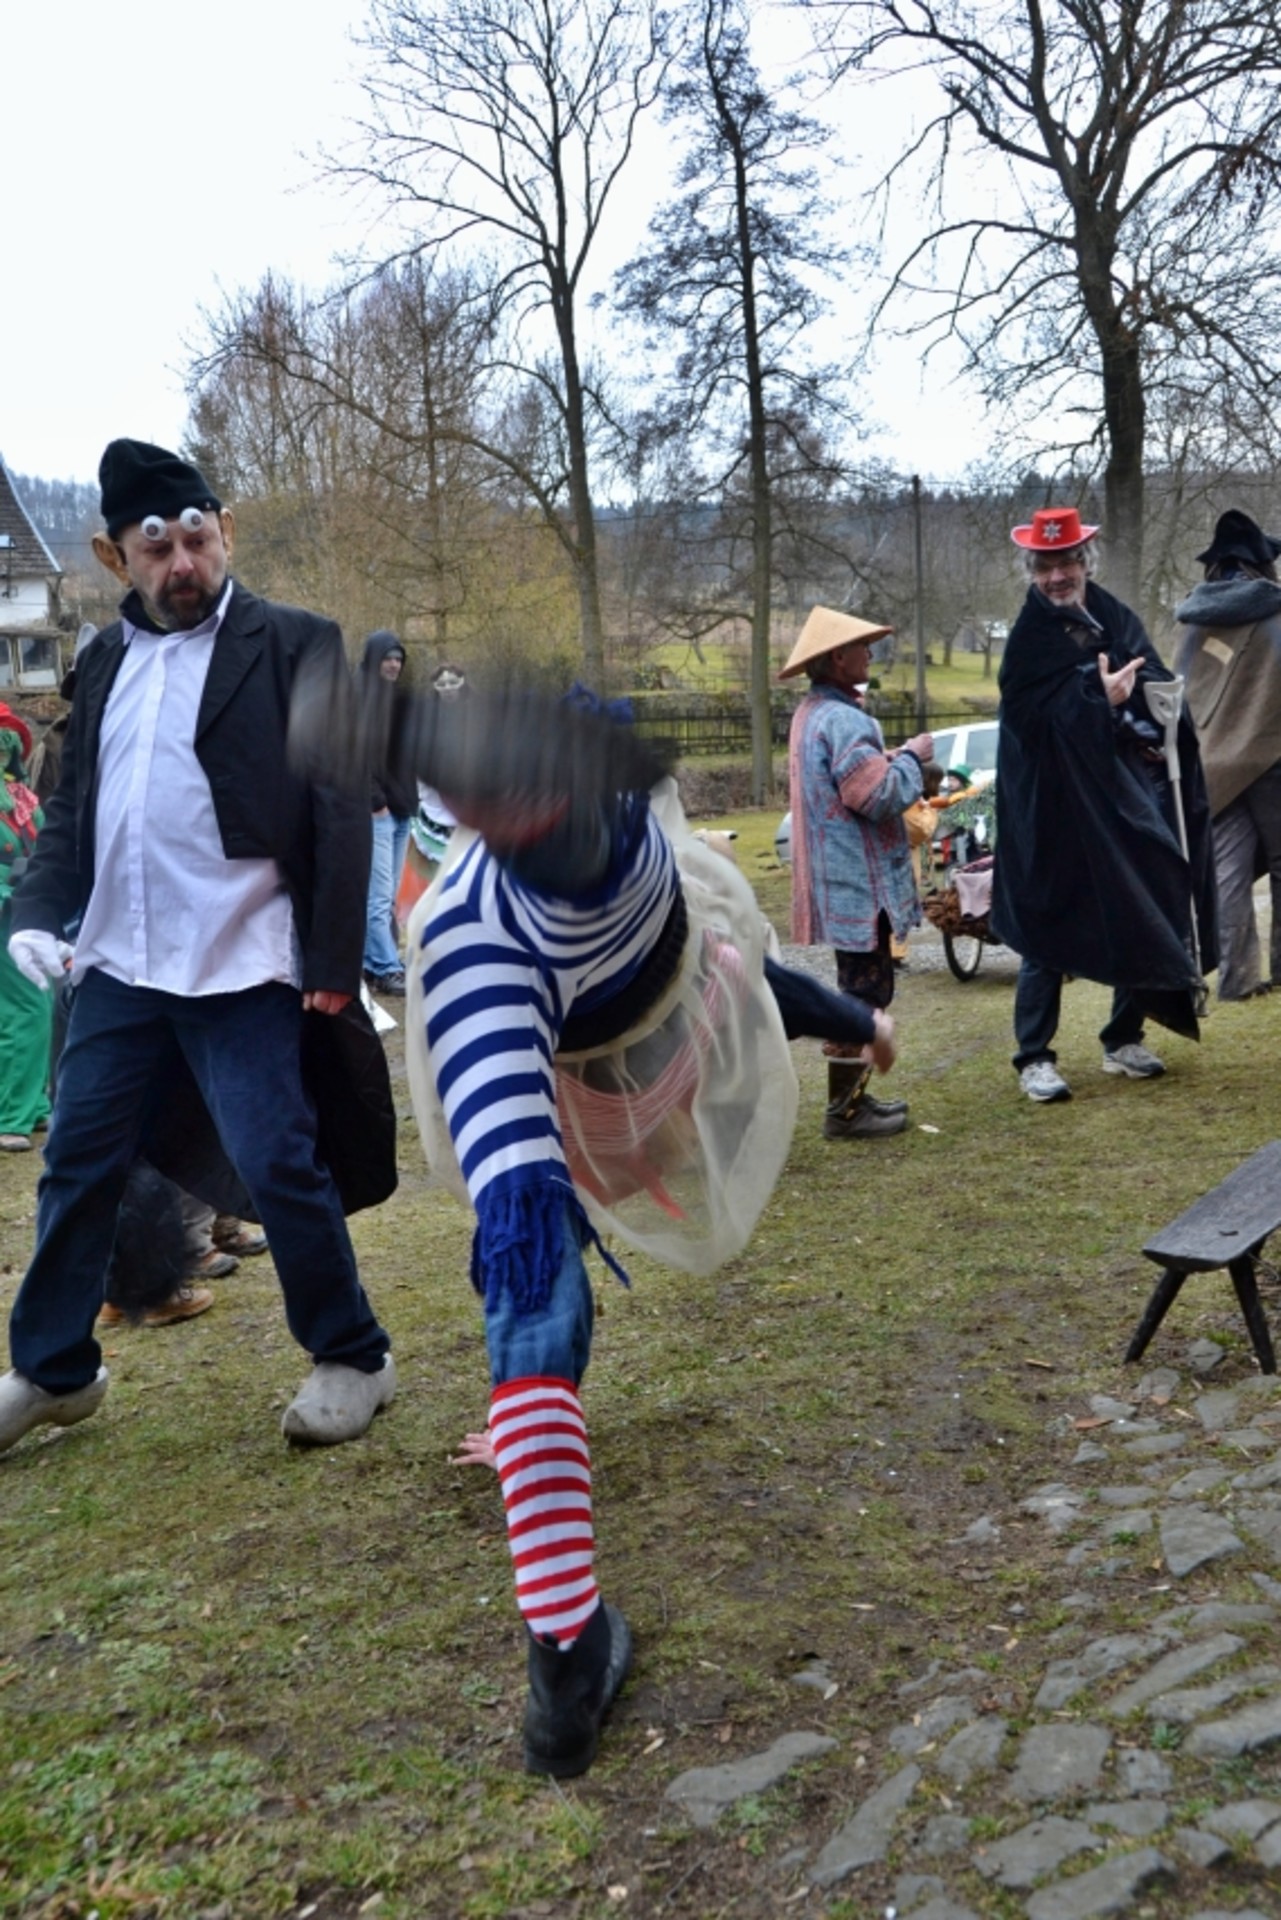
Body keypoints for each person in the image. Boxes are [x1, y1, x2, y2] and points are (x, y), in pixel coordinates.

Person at [0, 437, 395, 1456]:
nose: (183, 563)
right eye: (156, 547)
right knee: (76, 1162)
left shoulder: (296, 643)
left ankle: (353, 1355)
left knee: (277, 1157)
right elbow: (74, 808)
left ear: (224, 532)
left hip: (241, 957)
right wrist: (35, 913)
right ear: (115, 556)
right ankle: (55, 1371)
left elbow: (339, 804)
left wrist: (333, 962)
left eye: (197, 539)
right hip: (119, 966)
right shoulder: (102, 660)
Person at [991, 507, 1217, 1102]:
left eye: (1066, 562)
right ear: (1031, 571)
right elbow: (1028, 719)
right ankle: (1034, 1057)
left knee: (1141, 896)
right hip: (1052, 805)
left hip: (1115, 795)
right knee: (1047, 920)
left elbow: (1151, 671)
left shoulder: (1111, 614)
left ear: (1085, 562)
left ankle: (1122, 1038)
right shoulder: (1030, 637)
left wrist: (1150, 706)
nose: (1056, 577)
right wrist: (1098, 696)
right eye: (1045, 567)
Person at [781, 605, 931, 1139]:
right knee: (865, 997)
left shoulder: (811, 713)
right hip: (861, 888)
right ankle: (845, 1112)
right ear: (837, 658)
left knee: (859, 992)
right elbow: (877, 795)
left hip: (838, 882)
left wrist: (888, 757)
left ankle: (851, 1103)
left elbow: (849, 779)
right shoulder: (845, 719)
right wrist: (912, 759)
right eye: (862, 646)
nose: (871, 652)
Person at [1174, 508, 1281, 1000]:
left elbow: (1180, 692)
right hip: (1270, 758)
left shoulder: (1193, 622)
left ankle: (1237, 980)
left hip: (1211, 763)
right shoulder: (1275, 611)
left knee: (1228, 873)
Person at [0, 702, 53, 1152]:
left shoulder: (22, 800)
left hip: (27, 911)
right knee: (28, 1008)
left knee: (38, 1003)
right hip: (8, 909)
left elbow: (47, 849)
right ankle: (12, 1115)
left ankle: (32, 1105)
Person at [359, 629, 415, 996]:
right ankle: (386, 966)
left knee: (389, 895)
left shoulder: (398, 700)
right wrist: (375, 802)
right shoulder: (358, 698)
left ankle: (375, 962)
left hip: (402, 810)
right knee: (378, 896)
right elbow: (355, 756)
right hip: (378, 812)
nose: (394, 665)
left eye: (398, 659)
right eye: (388, 658)